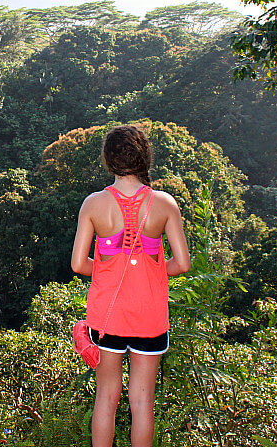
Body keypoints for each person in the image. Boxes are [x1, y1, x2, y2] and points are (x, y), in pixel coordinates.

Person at [71, 124, 191, 447]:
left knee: (106, 399)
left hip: (108, 317)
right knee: (142, 404)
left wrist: (110, 270)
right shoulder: (165, 204)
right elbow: (182, 263)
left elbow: (78, 264)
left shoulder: (94, 205)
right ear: (143, 158)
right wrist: (151, 273)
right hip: (149, 317)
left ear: (109, 160)